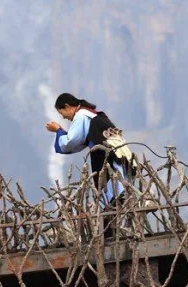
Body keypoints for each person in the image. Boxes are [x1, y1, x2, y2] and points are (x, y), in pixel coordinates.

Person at [46, 93, 136, 236]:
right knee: (119, 193)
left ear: (68, 107)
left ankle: (109, 233)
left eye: (61, 112)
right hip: (120, 157)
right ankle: (117, 229)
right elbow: (82, 140)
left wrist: (58, 131)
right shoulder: (94, 115)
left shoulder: (82, 116)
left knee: (110, 197)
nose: (63, 117)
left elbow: (71, 141)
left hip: (106, 158)